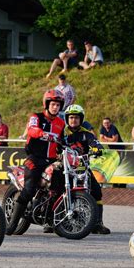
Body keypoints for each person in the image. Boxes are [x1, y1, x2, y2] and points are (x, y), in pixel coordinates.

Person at [6, 89, 66, 235]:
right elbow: (32, 130)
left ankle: (51, 220)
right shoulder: (36, 117)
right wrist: (43, 133)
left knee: (59, 185)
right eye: (53, 104)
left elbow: (62, 141)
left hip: (51, 160)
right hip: (34, 158)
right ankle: (11, 225)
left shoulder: (60, 123)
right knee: (29, 189)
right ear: (46, 104)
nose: (55, 107)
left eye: (58, 105)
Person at [63, 105, 110, 234]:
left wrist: (97, 148)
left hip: (82, 167)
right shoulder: (63, 132)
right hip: (64, 167)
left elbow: (96, 143)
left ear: (81, 119)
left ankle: (97, 223)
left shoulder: (86, 133)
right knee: (56, 189)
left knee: (96, 191)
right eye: (71, 117)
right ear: (67, 119)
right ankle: (51, 221)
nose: (74, 120)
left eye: (76, 118)